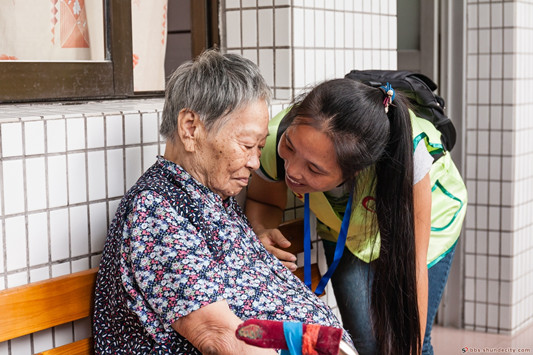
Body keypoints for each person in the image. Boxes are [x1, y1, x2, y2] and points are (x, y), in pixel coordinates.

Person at [92, 50, 352, 354]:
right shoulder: (156, 212)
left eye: (260, 147)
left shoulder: (210, 196)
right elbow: (221, 338)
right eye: (246, 145)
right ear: (190, 127)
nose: (256, 162)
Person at [245, 78, 467, 355]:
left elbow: (413, 267)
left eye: (314, 169)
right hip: (347, 231)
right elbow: (262, 200)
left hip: (428, 224)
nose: (293, 171)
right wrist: (262, 230)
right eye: (290, 148)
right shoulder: (277, 136)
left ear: (356, 171)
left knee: (409, 344)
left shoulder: (406, 159)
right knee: (363, 344)